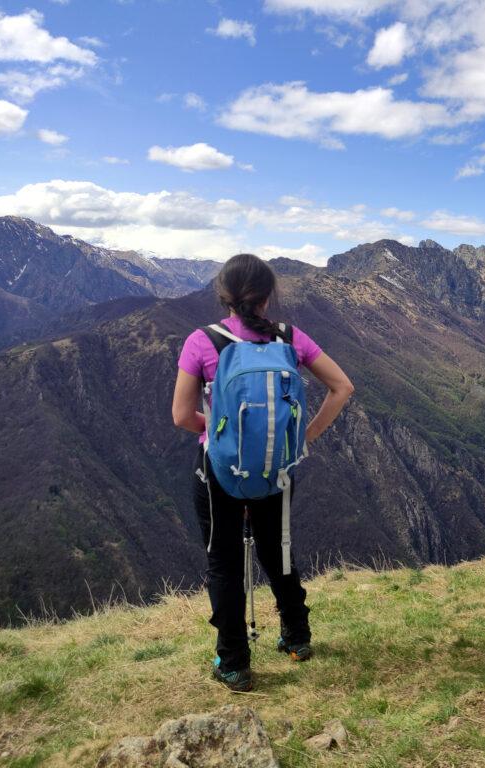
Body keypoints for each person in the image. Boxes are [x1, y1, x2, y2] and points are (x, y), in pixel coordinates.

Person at [171, 253, 354, 691]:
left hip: (219, 471)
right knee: (279, 551)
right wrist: (304, 437)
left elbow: (181, 415)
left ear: (223, 295)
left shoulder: (203, 341)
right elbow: (343, 387)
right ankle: (297, 638)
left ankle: (233, 662)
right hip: (278, 466)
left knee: (225, 562)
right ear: (268, 296)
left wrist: (217, 435)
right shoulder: (290, 339)